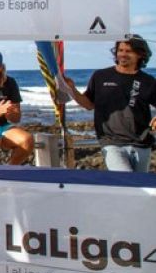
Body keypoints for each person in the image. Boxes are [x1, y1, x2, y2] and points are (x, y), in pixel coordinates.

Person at [64, 34, 156, 173]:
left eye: (128, 51)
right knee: (125, 178)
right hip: (111, 142)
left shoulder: (148, 81)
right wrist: (72, 90)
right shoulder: (100, 76)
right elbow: (89, 104)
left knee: (138, 185)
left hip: (142, 144)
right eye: (120, 50)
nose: (123, 54)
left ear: (140, 54)